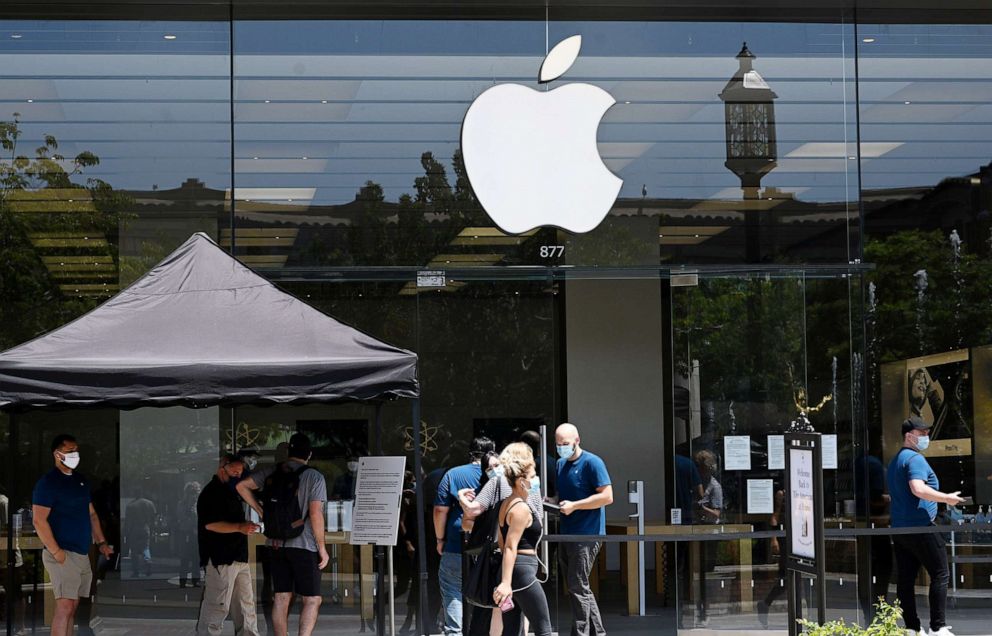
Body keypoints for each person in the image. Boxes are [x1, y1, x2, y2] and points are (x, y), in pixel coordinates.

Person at [239, 433, 329, 636]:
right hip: (304, 545)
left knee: (281, 596)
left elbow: (241, 486)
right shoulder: (314, 476)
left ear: (289, 452)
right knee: (312, 598)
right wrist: (322, 548)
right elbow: (315, 513)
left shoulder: (272, 471)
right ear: (309, 454)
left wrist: (263, 511)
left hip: (275, 543)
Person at [887, 416, 964, 636]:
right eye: (922, 434)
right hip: (920, 526)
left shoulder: (896, 461)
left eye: (927, 433)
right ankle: (937, 627)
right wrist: (946, 498)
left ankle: (911, 627)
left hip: (900, 529)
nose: (926, 437)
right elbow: (917, 489)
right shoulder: (915, 459)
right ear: (908, 436)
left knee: (906, 578)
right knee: (940, 573)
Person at [31, 434, 114, 636]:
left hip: (81, 552)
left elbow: (92, 514)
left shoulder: (80, 481)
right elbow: (38, 520)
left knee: (72, 607)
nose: (74, 455)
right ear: (57, 454)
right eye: (70, 451)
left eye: (76, 451)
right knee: (65, 607)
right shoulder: (48, 482)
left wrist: (101, 542)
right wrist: (57, 552)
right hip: (62, 553)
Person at [433, 436, 495, 636]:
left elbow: (440, 510)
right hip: (490, 546)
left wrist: (440, 539)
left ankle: (454, 632)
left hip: (456, 544)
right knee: (486, 592)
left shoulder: (453, 474)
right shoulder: (498, 477)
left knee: (453, 592)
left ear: (470, 454)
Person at [555, 423, 612, 636]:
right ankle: (597, 631)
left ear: (577, 440)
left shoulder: (592, 462)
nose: (562, 447)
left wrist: (575, 505)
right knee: (578, 586)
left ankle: (581, 632)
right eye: (558, 444)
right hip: (566, 532)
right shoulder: (561, 464)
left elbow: (607, 496)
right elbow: (564, 496)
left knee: (577, 584)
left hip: (587, 533)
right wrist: (552, 501)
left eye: (566, 444)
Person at [196, 454, 260, 636]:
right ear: (222, 468)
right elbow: (210, 524)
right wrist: (240, 527)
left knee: (246, 605)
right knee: (217, 605)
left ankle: (249, 633)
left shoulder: (233, 492)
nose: (237, 474)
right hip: (220, 557)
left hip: (239, 556)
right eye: (234, 470)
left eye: (240, 472)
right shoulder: (211, 493)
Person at [493, 443, 552, 636]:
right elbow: (510, 546)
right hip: (522, 571)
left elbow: (502, 544)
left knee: (512, 630)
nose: (536, 481)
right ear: (521, 481)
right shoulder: (521, 508)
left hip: (513, 571)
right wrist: (506, 583)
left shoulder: (506, 504)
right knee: (543, 628)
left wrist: (505, 578)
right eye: (533, 476)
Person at [693, 450, 722, 626]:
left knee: (706, 575)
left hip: (709, 535)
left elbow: (717, 514)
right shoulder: (697, 483)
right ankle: (698, 610)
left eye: (701, 468)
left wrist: (701, 508)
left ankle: (706, 611)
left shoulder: (714, 486)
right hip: (696, 534)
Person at [123, 491, 156, 577]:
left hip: (134, 528)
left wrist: (126, 532)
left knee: (134, 551)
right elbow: (153, 516)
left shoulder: (130, 505)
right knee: (146, 548)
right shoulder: (149, 503)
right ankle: (148, 564)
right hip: (145, 527)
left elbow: (128, 521)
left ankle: (136, 571)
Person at [178, 481, 202, 588]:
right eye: (192, 492)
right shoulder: (181, 504)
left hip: (196, 533)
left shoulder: (200, 504)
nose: (194, 495)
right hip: (185, 533)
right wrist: (188, 509)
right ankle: (183, 579)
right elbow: (180, 517)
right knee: (184, 557)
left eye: (196, 492)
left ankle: (196, 579)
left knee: (196, 557)